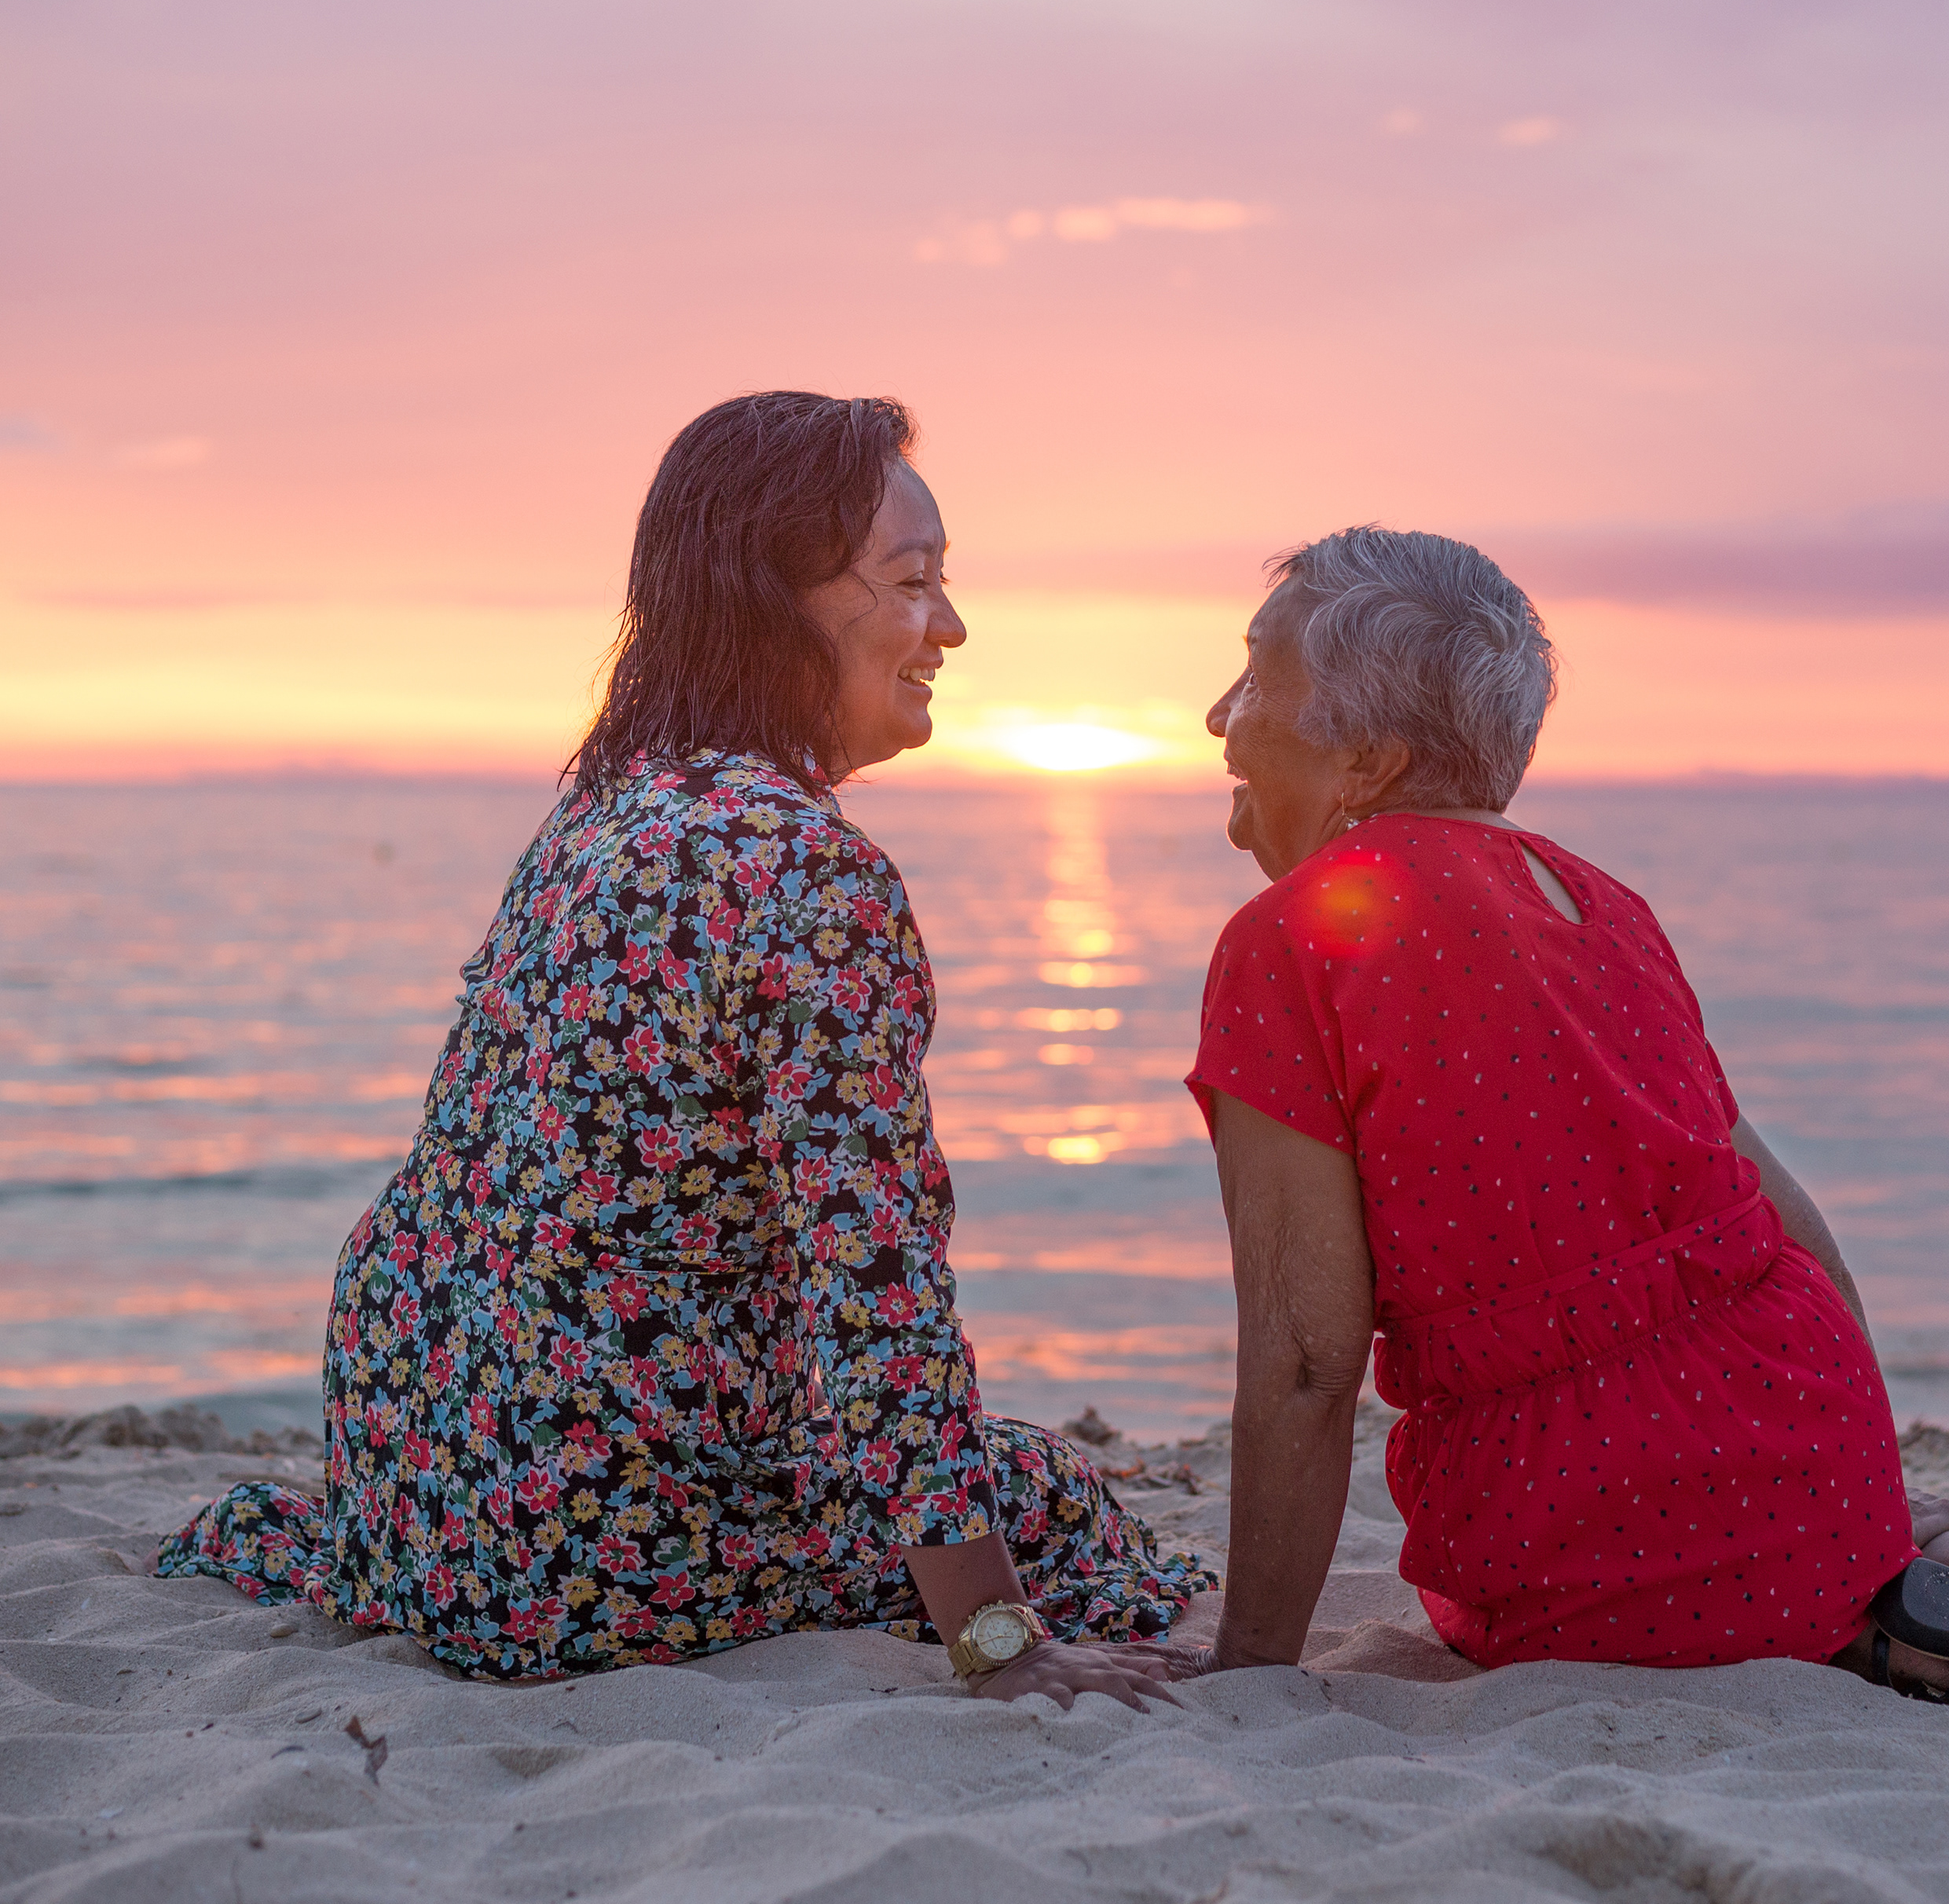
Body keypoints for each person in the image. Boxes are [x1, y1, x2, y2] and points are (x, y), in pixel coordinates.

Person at [1185, 525, 1949, 1699]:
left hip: (1578, 1504)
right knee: (1842, 1562)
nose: (1216, 717)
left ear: (1371, 760)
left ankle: (1898, 1641)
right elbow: (1774, 1205)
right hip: (1796, 1406)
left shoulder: (1290, 943)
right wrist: (1859, 1480)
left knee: (1574, 1606)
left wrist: (1247, 1674)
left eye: (1254, 676)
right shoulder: (1603, 906)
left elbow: (1303, 1357)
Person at [159, 392, 1208, 1702]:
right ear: (779, 600)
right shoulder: (808, 870)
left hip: (417, 1474)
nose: (950, 625)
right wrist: (998, 1643)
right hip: (580, 1526)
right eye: (914, 582)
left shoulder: (606, 807)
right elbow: (876, 1287)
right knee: (1056, 1502)